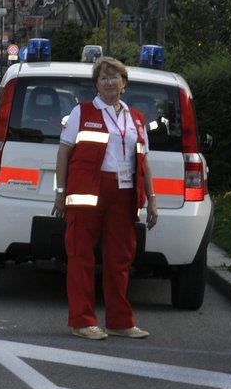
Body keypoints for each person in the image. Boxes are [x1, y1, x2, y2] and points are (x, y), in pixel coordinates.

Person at [51, 56, 157, 340]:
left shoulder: (136, 118)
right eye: (103, 77)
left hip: (123, 195)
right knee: (81, 256)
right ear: (96, 84)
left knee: (120, 259)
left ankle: (120, 321)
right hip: (87, 194)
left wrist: (152, 198)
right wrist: (60, 193)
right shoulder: (81, 113)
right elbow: (64, 152)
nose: (109, 82)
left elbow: (143, 161)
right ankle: (82, 321)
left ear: (124, 83)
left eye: (115, 77)